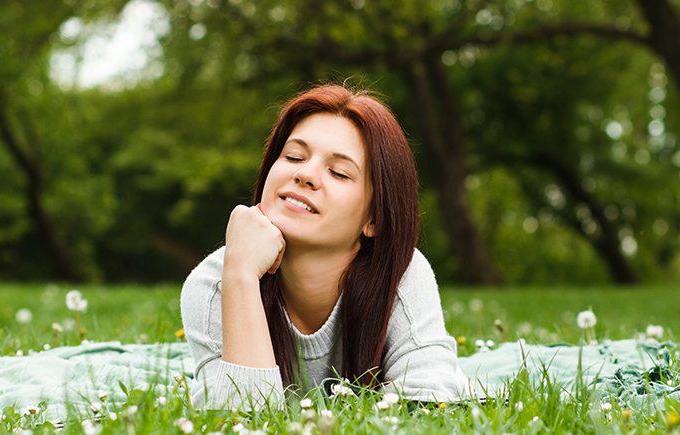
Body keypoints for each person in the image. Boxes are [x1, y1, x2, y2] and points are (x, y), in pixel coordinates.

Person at [180, 84, 468, 409]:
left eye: (339, 173)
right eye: (293, 156)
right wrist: (242, 277)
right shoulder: (216, 283)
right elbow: (239, 422)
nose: (305, 174)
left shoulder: (399, 274)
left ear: (373, 219)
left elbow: (427, 403)